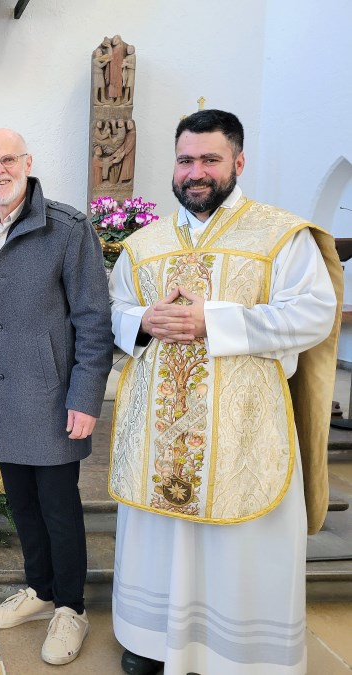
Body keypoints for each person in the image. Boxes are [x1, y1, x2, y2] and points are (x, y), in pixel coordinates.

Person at [108, 109, 341, 675]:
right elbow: (113, 311)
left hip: (244, 428)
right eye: (186, 160)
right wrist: (142, 321)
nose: (196, 172)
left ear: (238, 162)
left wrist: (215, 322)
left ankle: (240, 659)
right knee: (160, 538)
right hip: (160, 432)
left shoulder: (280, 235)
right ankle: (153, 642)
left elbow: (314, 314)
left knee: (240, 546)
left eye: (210, 160)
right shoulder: (144, 244)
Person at [0, 128, 112, 665]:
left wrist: (87, 396)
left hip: (51, 396)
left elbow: (94, 321)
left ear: (27, 162)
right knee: (22, 504)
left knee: (58, 507)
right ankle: (41, 592)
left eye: (7, 160)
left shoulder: (67, 229)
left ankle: (71, 608)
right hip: (0, 396)